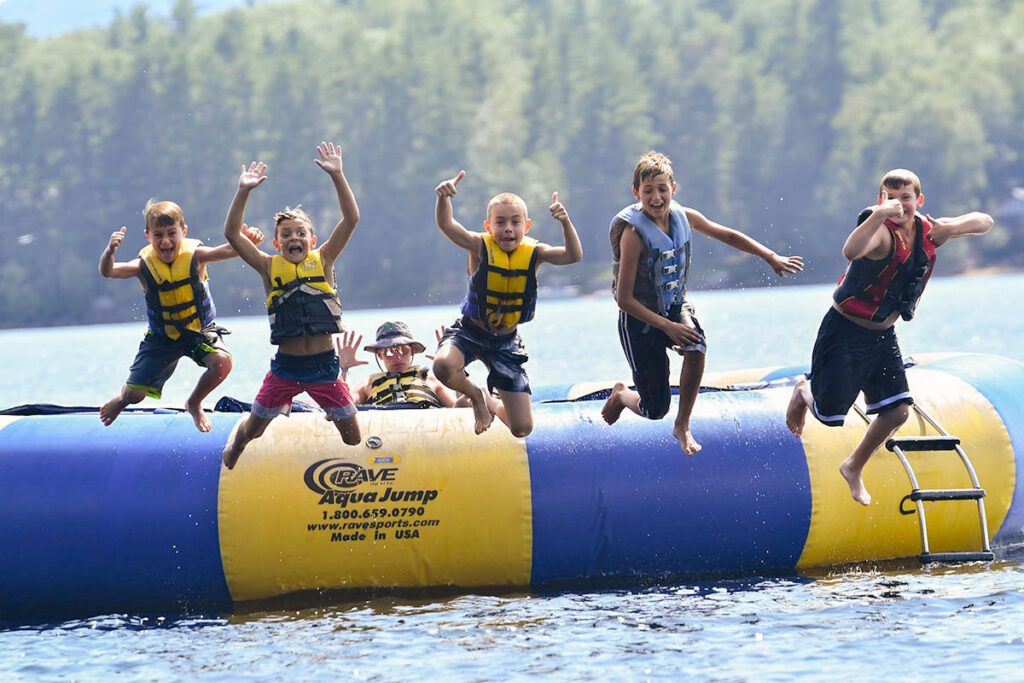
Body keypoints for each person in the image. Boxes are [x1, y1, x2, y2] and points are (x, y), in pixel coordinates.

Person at [786, 168, 993, 505]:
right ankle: (802, 390)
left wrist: (950, 229)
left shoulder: (929, 229)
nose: (898, 205)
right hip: (844, 331)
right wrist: (880, 214)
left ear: (918, 200)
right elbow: (851, 251)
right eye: (890, 198)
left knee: (898, 411)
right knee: (830, 413)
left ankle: (853, 466)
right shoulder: (879, 231)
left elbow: (985, 222)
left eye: (905, 198)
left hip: (883, 336)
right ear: (880, 199)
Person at [602, 150, 803, 454]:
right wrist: (666, 326)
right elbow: (623, 298)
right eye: (648, 191)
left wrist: (770, 256)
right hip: (640, 320)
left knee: (696, 345)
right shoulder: (634, 235)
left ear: (673, 189)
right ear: (636, 193)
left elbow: (727, 235)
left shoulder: (685, 217)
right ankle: (621, 395)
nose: (656, 198)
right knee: (655, 409)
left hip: (673, 306)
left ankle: (682, 425)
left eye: (662, 189)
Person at [221, 142, 361, 469]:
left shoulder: (324, 258)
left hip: (324, 367)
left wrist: (338, 175)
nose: (293, 238)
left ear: (311, 241)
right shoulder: (268, 267)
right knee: (253, 429)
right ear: (276, 243)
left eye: (300, 233)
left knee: (352, 437)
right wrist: (243, 191)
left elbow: (351, 218)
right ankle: (237, 442)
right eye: (286, 234)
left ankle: (325, 400)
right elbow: (231, 233)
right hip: (286, 368)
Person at [432, 169, 583, 436]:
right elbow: (447, 226)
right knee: (442, 366)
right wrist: (444, 199)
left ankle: (489, 402)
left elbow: (573, 255)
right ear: (488, 226)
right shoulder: (479, 246)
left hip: (506, 342)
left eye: (515, 222)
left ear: (526, 226)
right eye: (500, 222)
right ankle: (476, 394)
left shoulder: (535, 254)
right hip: (470, 331)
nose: (508, 229)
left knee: (522, 428)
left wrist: (565, 222)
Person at [98, 199, 263, 432]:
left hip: (198, 331)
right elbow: (109, 271)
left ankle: (194, 403)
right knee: (136, 394)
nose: (165, 241)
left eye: (171, 233)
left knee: (222, 363)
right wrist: (110, 251)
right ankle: (122, 399)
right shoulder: (142, 266)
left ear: (183, 232)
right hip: (161, 337)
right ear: (148, 236)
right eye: (158, 235)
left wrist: (248, 239)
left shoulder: (197, 256)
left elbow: (228, 250)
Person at [336, 323, 457, 408]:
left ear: (412, 352)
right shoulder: (367, 384)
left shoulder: (431, 380)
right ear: (379, 355)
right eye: (389, 352)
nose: (397, 358)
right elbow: (342, 409)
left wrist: (454, 367)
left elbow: (462, 408)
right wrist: (343, 369)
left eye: (404, 350)